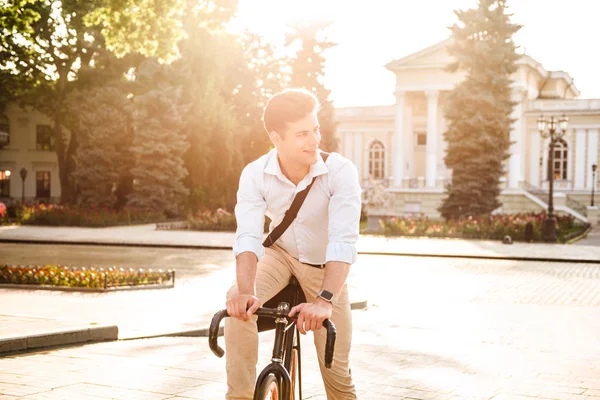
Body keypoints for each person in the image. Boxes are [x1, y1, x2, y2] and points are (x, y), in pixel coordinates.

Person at [224, 88, 361, 399]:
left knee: (337, 372)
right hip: (280, 255)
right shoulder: (255, 174)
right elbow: (247, 236)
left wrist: (325, 300)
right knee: (237, 303)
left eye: (315, 129)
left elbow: (343, 241)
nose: (314, 140)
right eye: (302, 134)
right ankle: (241, 396)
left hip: (325, 267)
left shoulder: (340, 172)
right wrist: (245, 292)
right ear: (276, 138)